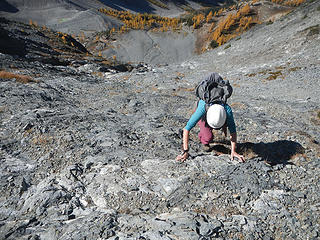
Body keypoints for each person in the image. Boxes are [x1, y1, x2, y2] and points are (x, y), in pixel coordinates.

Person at [176, 85, 245, 163]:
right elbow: (186, 128)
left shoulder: (227, 110)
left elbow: (233, 131)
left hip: (218, 115)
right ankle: (203, 139)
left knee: (213, 131)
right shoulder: (202, 108)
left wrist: (233, 151)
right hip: (203, 115)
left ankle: (209, 132)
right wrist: (185, 151)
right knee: (207, 137)